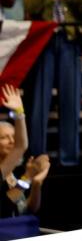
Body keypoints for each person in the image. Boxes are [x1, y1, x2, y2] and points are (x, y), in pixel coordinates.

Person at [23, 0, 82, 166]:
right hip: (43, 43)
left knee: (70, 99)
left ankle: (69, 157)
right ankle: (37, 156)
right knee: (39, 101)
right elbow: (32, 7)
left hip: (68, 40)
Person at [0, 84, 49, 218]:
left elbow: (25, 208)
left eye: (13, 136)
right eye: (4, 137)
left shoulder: (13, 173)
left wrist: (36, 184)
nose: (12, 140)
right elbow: (5, 206)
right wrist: (27, 177)